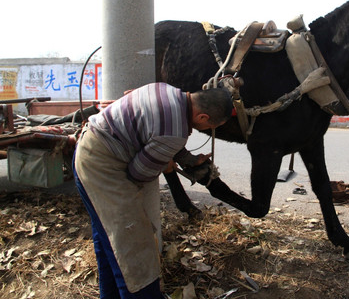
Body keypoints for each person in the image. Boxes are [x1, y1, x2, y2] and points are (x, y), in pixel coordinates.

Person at [73, 83, 233, 298]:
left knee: (109, 240)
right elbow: (138, 174)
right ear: (203, 118)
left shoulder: (165, 90)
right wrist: (161, 164)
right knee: (133, 249)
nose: (206, 130)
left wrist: (188, 159)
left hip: (89, 148)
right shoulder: (174, 134)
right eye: (210, 126)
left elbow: (157, 131)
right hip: (102, 168)